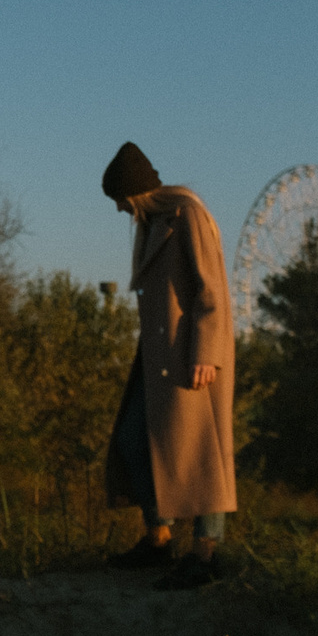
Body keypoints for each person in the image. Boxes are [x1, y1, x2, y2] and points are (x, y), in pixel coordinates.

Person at [99, 142, 237, 590]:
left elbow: (211, 288)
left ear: (135, 194)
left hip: (190, 356)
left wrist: (206, 354)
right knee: (133, 440)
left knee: (202, 454)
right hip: (157, 357)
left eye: (120, 200)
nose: (119, 209)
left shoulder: (186, 216)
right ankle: (158, 538)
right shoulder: (152, 223)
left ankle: (205, 554)